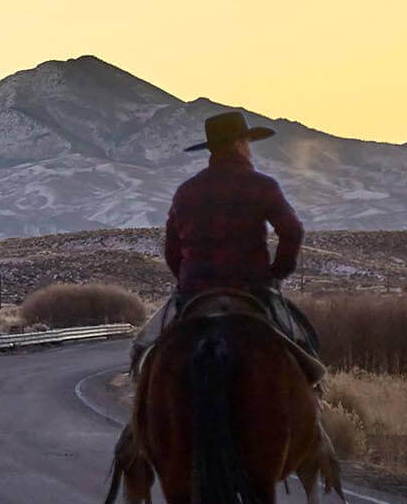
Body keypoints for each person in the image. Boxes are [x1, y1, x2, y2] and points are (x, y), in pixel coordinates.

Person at [130, 110, 322, 381]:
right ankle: (314, 410)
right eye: (247, 142)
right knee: (305, 354)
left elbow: (172, 249)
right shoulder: (262, 186)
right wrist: (276, 274)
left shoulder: (186, 191)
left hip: (194, 291)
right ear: (237, 144)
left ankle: (140, 421)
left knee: (142, 352)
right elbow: (292, 231)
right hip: (252, 288)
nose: (249, 150)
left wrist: (188, 279)